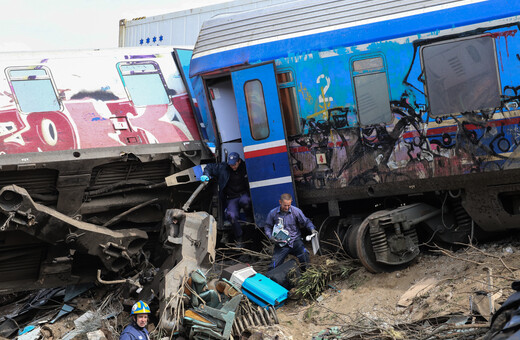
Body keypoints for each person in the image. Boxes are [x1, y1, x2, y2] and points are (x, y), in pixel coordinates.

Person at [200, 152, 252, 245]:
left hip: (243, 195)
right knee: (231, 215)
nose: (233, 166)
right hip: (231, 198)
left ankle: (249, 217)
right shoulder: (223, 167)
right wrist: (206, 175)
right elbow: (209, 167)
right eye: (231, 164)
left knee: (246, 201)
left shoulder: (246, 166)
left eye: (234, 164)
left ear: (239, 161)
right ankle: (239, 237)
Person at [264, 193, 318, 270]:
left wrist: (312, 229)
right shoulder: (273, 213)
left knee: (305, 256)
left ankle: (305, 274)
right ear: (280, 202)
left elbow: (306, 222)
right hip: (281, 243)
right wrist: (270, 236)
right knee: (273, 266)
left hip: (295, 241)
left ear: (291, 202)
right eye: (285, 205)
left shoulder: (296, 211)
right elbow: (267, 226)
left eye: (288, 205)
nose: (287, 207)